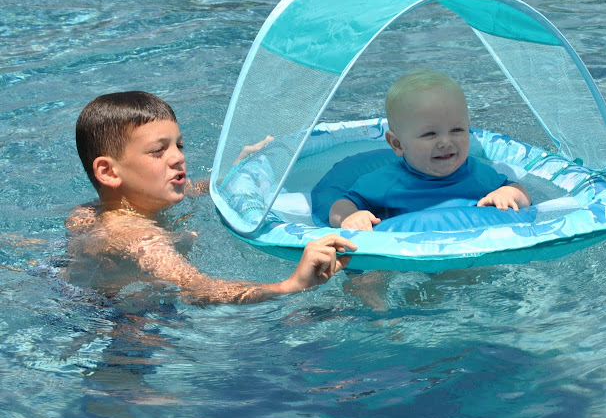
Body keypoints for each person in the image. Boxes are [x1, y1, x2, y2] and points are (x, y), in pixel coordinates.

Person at [66, 91, 355, 305]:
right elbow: (196, 288)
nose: (178, 157)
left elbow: (198, 187)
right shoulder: (138, 237)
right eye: (158, 151)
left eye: (179, 146)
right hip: (125, 318)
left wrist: (235, 175)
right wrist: (289, 285)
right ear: (108, 172)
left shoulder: (98, 211)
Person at [328, 70, 531, 230]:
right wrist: (351, 216)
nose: (445, 142)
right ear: (397, 144)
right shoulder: (385, 182)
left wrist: (508, 193)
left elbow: (520, 191)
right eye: (430, 134)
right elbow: (342, 204)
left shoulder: (477, 174)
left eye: (457, 130)